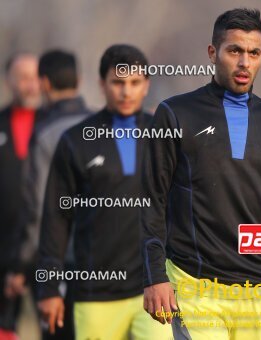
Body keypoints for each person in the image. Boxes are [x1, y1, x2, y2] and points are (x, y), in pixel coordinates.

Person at [142, 8, 261, 340]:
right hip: (195, 286)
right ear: (212, 52)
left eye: (254, 52)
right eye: (235, 50)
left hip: (258, 289)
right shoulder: (175, 114)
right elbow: (151, 199)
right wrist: (154, 275)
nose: (245, 62)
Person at [36, 44, 171, 340]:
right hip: (95, 292)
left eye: (135, 83)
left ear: (146, 85)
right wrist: (48, 286)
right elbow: (56, 218)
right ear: (102, 84)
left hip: (155, 288)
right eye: (118, 83)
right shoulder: (75, 140)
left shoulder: (165, 137)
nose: (126, 92)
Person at [8, 49, 92, 340]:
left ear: (44, 83)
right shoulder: (103, 126)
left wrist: (20, 264)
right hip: (107, 261)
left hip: (58, 264)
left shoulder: (44, 134)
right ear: (80, 80)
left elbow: (39, 210)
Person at [0, 52, 42, 340]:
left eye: (35, 77)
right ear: (9, 81)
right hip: (3, 247)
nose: (30, 85)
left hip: (47, 248)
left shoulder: (56, 126)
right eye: (23, 78)